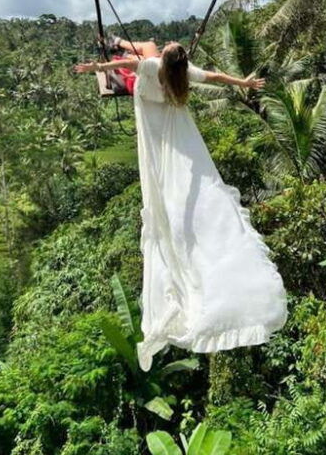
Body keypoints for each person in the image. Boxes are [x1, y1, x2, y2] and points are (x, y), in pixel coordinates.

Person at [73, 39, 287, 371]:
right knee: (145, 47)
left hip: (154, 127)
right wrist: (243, 83)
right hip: (173, 127)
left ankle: (115, 42)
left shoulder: (149, 66)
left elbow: (122, 68)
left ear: (165, 63)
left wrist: (95, 68)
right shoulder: (183, 74)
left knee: (142, 50)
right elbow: (216, 78)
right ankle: (117, 42)